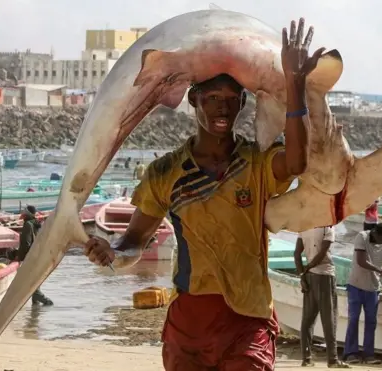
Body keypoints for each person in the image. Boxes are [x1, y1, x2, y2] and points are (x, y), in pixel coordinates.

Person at [82, 18, 321, 371]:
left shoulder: (256, 162)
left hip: (247, 318)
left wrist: (295, 82)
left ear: (242, 104)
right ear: (194, 100)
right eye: (212, 98)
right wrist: (112, 251)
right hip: (189, 324)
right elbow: (134, 242)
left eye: (231, 100)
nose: (221, 108)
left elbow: (298, 162)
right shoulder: (164, 173)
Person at [344, 223, 382, 365]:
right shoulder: (361, 237)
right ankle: (351, 353)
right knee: (353, 319)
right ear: (374, 233)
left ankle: (369, 355)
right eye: (380, 239)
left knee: (371, 322)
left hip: (373, 288)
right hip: (355, 285)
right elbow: (361, 261)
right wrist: (381, 271)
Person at [294, 226, 349, 368]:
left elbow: (296, 254)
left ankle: (306, 359)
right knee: (329, 319)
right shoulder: (328, 228)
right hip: (325, 276)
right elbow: (322, 253)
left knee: (307, 319)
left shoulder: (304, 227)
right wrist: (309, 267)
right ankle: (332, 360)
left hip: (309, 277)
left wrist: (302, 274)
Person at [18, 205, 53, 306]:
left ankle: (47, 302)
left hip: (31, 257)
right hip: (39, 256)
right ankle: (35, 314)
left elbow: (26, 244)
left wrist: (19, 256)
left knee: (32, 283)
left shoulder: (28, 225)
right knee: (35, 280)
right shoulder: (36, 224)